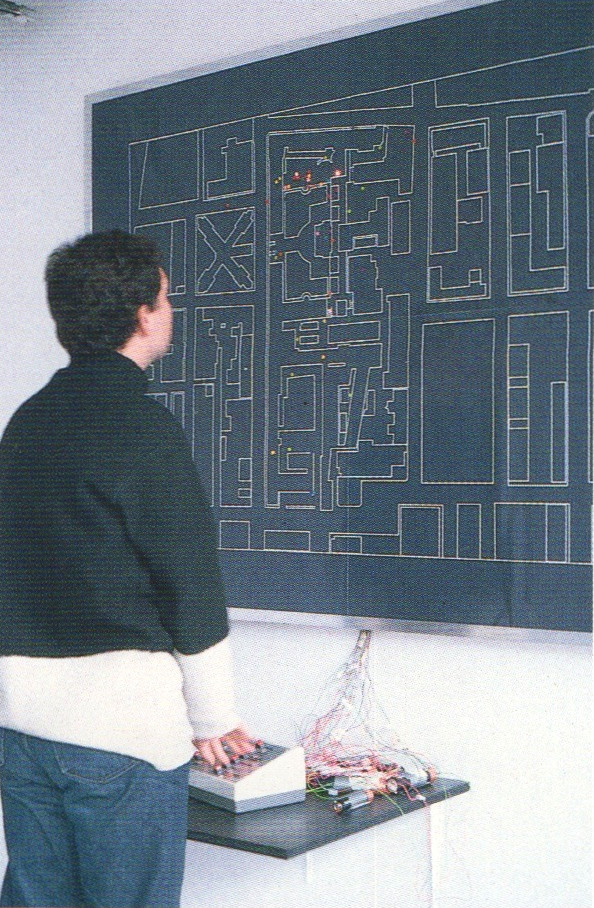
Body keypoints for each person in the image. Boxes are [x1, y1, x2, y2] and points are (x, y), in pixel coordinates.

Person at [0, 230, 253, 908]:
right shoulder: (142, 427)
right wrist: (214, 719)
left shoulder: (25, 424)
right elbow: (190, 587)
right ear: (142, 314)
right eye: (165, 298)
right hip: (119, 737)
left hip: (22, 729)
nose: (170, 311)